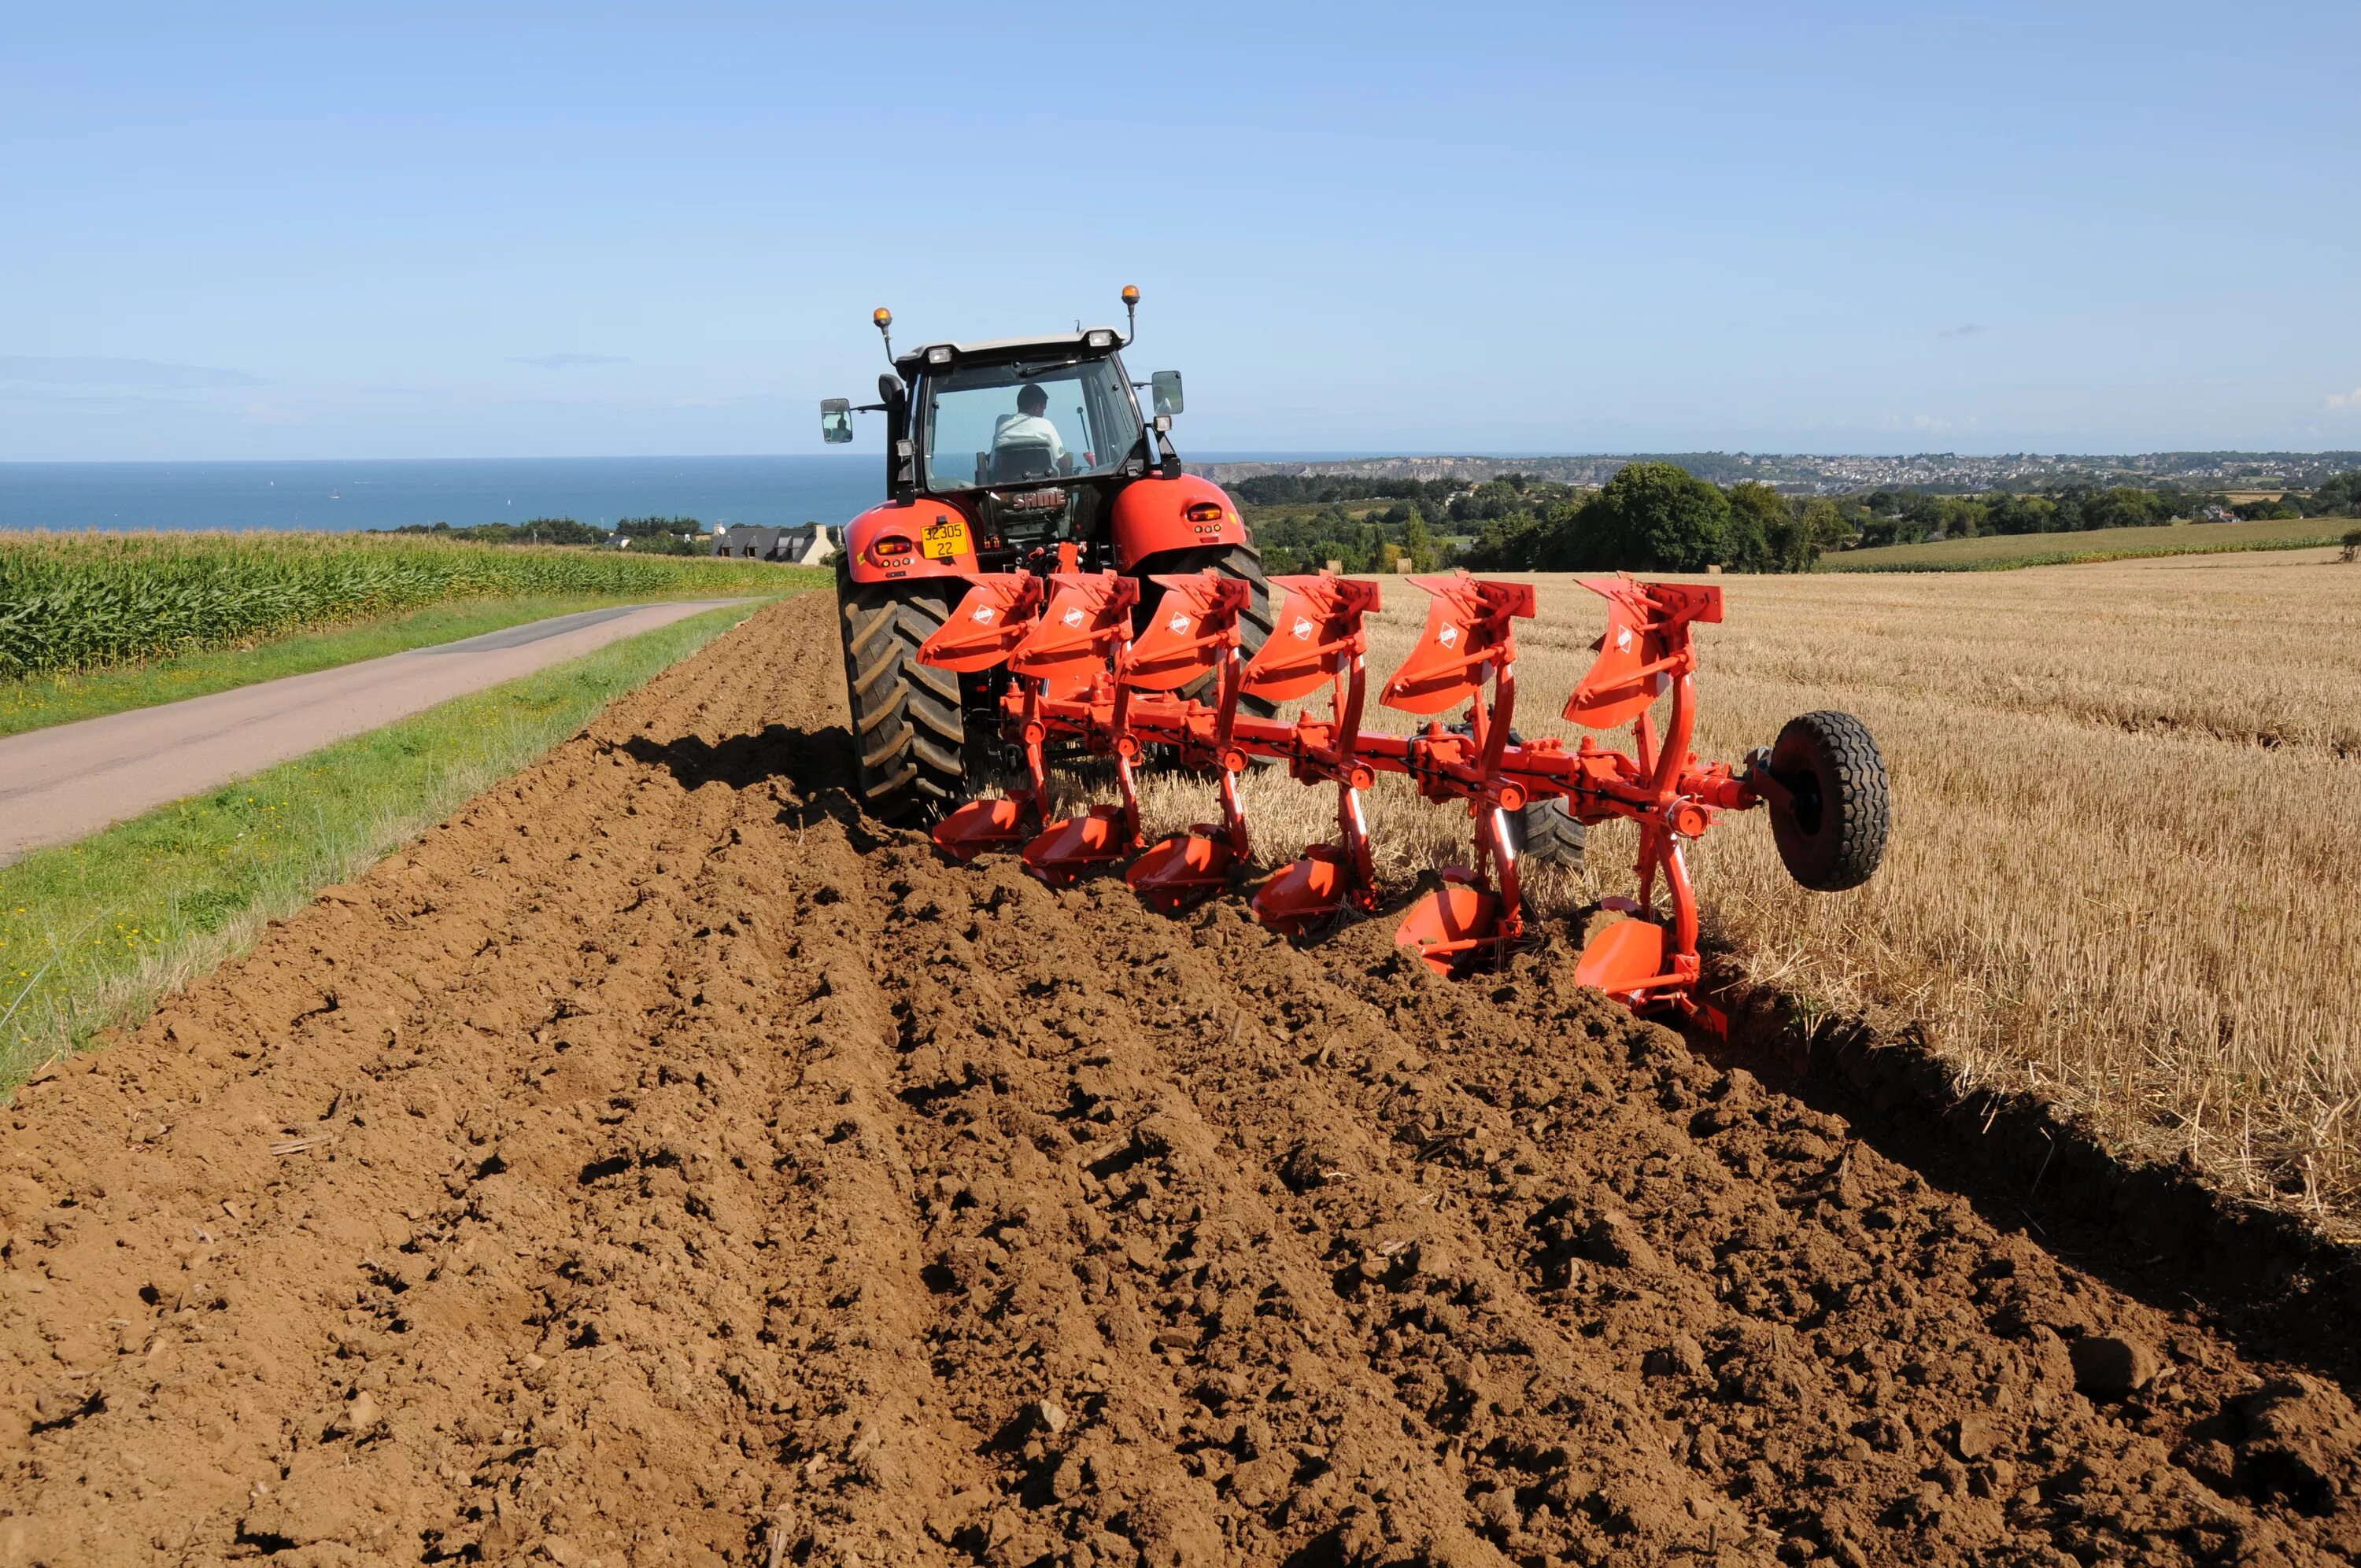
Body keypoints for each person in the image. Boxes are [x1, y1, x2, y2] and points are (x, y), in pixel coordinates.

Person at [992, 382, 1068, 467]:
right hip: (1044, 478)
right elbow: (1065, 463)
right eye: (1043, 409)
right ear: (1036, 407)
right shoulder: (1045, 425)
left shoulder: (1002, 421)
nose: (1043, 414)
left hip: (1004, 478)